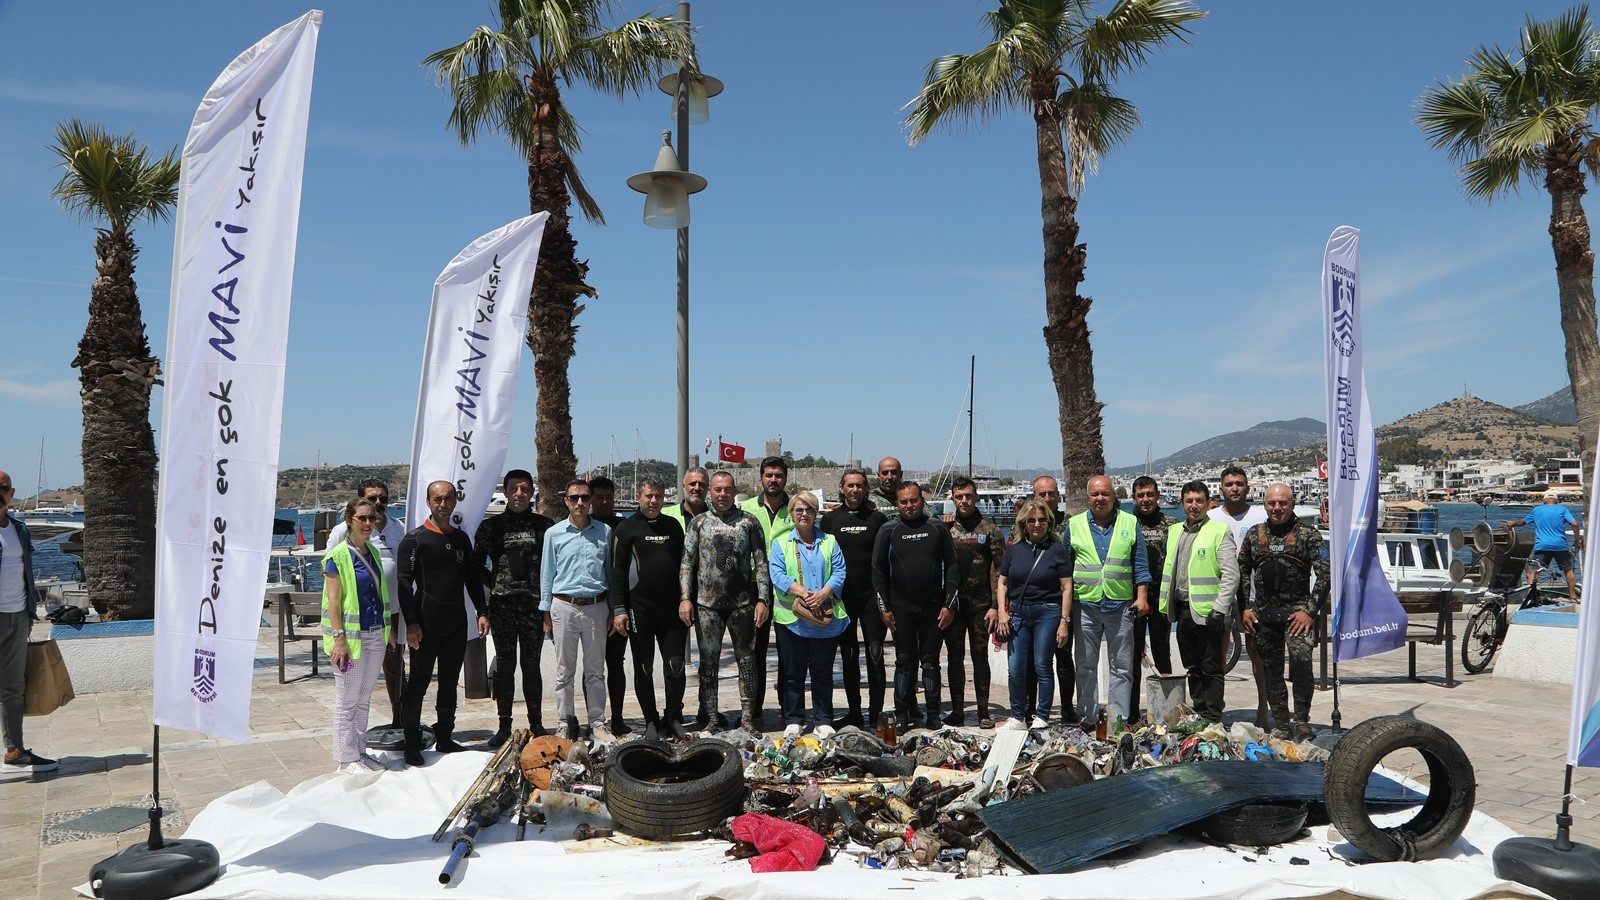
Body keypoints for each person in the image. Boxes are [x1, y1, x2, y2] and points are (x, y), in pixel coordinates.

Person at [397, 481, 490, 766]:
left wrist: (482, 611)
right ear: (428, 502)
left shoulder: (461, 539)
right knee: (418, 684)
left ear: (454, 502)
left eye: (448, 498)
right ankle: (412, 743)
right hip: (425, 624)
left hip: (455, 624)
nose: (443, 504)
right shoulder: (415, 540)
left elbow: (473, 579)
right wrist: (411, 623)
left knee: (449, 683)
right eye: (437, 499)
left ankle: (445, 736)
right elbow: (403, 583)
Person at [681, 470, 772, 730]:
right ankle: (710, 717)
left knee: (747, 662)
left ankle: (746, 717)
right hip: (707, 604)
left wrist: (763, 599)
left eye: (727, 490)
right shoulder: (698, 523)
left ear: (734, 491)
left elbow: (761, 563)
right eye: (718, 489)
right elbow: (687, 562)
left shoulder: (749, 522)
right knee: (708, 664)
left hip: (742, 604)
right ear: (711, 490)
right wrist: (685, 598)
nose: (722, 494)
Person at [1238, 483, 1328, 741]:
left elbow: (1325, 575)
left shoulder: (1309, 536)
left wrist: (1309, 612)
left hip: (1298, 615)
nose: (1277, 508)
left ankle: (1301, 720)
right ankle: (1280, 721)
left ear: (1292, 503)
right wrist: (1245, 607)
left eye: (1283, 503)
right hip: (1264, 616)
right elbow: (1242, 572)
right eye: (1272, 503)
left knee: (1301, 662)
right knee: (1270, 669)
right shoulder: (1255, 535)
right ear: (1265, 505)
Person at [474, 469, 555, 746]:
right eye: (514, 489)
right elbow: (474, 566)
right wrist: (492, 588)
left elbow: (553, 567)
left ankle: (537, 724)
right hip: (503, 607)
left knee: (532, 667)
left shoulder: (545, 526)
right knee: (505, 668)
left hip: (534, 607)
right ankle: (504, 726)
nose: (519, 494)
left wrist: (548, 608)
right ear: (506, 492)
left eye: (524, 488)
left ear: (532, 491)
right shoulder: (491, 528)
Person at [872, 481, 959, 731]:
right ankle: (901, 715)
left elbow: (952, 566)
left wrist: (949, 604)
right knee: (904, 661)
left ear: (922, 501)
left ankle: (933, 714)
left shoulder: (937, 528)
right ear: (897, 503)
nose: (909, 506)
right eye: (903, 502)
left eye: (913, 500)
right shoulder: (889, 530)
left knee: (930, 662)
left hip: (933, 608)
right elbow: (877, 570)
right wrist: (883, 607)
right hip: (900, 608)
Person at [541, 479, 620, 742]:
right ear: (566, 500)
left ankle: (597, 722)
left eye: (584, 498)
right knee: (565, 671)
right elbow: (547, 574)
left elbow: (609, 572)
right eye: (574, 498)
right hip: (564, 607)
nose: (580, 503)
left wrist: (611, 609)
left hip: (597, 607)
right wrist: (545, 612)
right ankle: (564, 722)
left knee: (596, 671)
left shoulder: (605, 532)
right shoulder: (554, 534)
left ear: (590, 501)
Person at [1067, 475, 1150, 724]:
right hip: (1085, 605)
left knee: (1122, 667)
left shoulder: (1130, 522)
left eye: (1105, 494)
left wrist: (1142, 596)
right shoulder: (1075, 525)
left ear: (1114, 496)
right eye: (1095, 494)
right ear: (1088, 497)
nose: (1100, 498)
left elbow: (1140, 564)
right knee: (1085, 666)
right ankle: (1087, 717)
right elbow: (1064, 568)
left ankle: (1118, 720)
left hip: (1121, 604)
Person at [326, 479, 408, 730]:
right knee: (353, 686)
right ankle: (349, 745)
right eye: (372, 499)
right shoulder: (341, 532)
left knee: (395, 667)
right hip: (356, 618)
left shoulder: (398, 527)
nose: (378, 503)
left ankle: (400, 719)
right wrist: (338, 631)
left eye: (382, 498)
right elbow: (331, 577)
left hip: (389, 612)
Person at [322, 497, 396, 773]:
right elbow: (333, 601)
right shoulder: (337, 555)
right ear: (349, 520)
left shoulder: (374, 553)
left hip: (376, 634)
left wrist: (388, 630)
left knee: (364, 698)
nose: (368, 523)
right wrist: (338, 638)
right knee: (347, 701)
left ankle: (360, 752)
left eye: (372, 518)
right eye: (362, 518)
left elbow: (379, 594)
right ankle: (345, 758)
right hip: (351, 639)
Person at [612, 478, 689, 740]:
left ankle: (674, 716)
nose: (653, 500)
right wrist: (619, 608)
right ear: (639, 497)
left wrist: (685, 599)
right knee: (643, 665)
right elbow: (618, 571)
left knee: (676, 664)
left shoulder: (673, 526)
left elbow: (684, 567)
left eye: (657, 496)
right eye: (648, 496)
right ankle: (650, 720)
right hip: (639, 609)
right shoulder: (626, 528)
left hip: (671, 609)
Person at [767, 491, 849, 737]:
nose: (804, 514)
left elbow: (839, 572)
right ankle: (794, 717)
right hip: (792, 619)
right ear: (792, 514)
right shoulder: (781, 543)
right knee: (794, 672)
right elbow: (778, 574)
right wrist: (803, 592)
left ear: (816, 513)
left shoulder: (830, 541)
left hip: (824, 617)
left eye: (809, 510)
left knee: (823, 671)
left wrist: (823, 593)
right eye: (799, 510)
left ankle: (823, 718)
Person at [1160, 481, 1239, 723]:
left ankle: (1213, 716)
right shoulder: (1175, 531)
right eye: (1189, 501)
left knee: (1211, 668)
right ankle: (1198, 710)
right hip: (1182, 610)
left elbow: (1231, 574)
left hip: (1209, 613)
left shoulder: (1219, 530)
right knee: (1192, 666)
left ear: (1208, 503)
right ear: (1183, 503)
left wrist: (1220, 609)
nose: (1194, 506)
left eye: (1199, 501)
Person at [995, 499, 1073, 729]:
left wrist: (1064, 622)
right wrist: (1002, 612)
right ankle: (1018, 715)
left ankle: (1041, 716)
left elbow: (1067, 587)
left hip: (1047, 612)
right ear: (1023, 523)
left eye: (1041, 520)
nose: (1036, 524)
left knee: (1042, 665)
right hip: (1018, 613)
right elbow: (1002, 583)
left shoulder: (1057, 550)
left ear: (1048, 523)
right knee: (1016, 666)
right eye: (1031, 520)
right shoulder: (1014, 550)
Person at [820, 467, 889, 727]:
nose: (855, 490)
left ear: (866, 489)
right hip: (842, 597)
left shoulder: (878, 519)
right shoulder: (830, 520)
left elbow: (886, 561)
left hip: (871, 596)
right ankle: (854, 712)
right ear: (841, 488)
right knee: (848, 655)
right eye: (850, 485)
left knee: (875, 654)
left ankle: (876, 714)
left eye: (860, 485)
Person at [0, 470, 54, 773]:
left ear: (12, 492)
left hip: (18, 616)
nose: (0, 493)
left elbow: (26, 572)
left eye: (4, 488)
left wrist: (30, 613)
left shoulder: (19, 529)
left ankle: (14, 751)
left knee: (12, 687)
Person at [1208, 465, 1270, 726]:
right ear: (1221, 488)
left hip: (1254, 596)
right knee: (1217, 654)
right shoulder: (1211, 517)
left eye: (1239, 483)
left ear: (1247, 487)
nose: (1234, 488)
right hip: (1221, 596)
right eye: (1229, 484)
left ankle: (1263, 709)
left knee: (1258, 654)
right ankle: (1216, 709)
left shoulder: (1260, 515)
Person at [740, 456, 795, 727]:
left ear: (786, 478)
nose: (773, 480)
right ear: (760, 478)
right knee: (756, 651)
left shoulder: (796, 508)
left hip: (788, 589)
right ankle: (755, 709)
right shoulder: (746, 508)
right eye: (769, 475)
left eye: (778, 475)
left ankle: (789, 708)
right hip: (754, 588)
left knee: (788, 652)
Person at [945, 477, 1003, 727]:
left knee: (980, 657)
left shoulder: (990, 530)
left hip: (981, 606)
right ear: (953, 498)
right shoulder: (945, 529)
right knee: (954, 657)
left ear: (976, 496)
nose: (964, 501)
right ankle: (958, 711)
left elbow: (1001, 571)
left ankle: (983, 712)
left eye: (968, 495)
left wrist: (996, 606)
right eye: (959, 496)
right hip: (954, 606)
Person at [1024, 474, 1076, 723]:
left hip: (1062, 603)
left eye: (1051, 494)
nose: (1047, 498)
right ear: (1034, 496)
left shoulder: (1071, 526)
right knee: (1032, 662)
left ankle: (1067, 709)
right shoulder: (1025, 527)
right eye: (1041, 494)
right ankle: (1030, 710)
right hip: (1034, 604)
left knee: (1064, 659)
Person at [587, 476, 632, 736]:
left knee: (616, 664)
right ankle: (594, 720)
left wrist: (620, 607)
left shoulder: (623, 526)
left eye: (608, 497)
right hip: (590, 607)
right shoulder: (586, 525)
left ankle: (617, 718)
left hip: (617, 607)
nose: (604, 502)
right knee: (592, 668)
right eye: (599, 497)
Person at [1129, 475, 1176, 719]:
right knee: (1133, 656)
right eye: (1140, 495)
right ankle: (1132, 713)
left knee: (1162, 653)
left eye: (1150, 494)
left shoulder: (1171, 524)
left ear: (1157, 495)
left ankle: (1166, 711)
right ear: (1134, 497)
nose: (1145, 500)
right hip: (1133, 600)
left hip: (1161, 600)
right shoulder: (1126, 523)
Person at [1506, 491, 1584, 605]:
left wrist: (1512, 523)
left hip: (1542, 546)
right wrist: (1577, 541)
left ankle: (1530, 596)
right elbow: (1575, 524)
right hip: (1560, 546)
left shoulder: (1537, 510)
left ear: (1544, 500)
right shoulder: (1562, 509)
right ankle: (1573, 596)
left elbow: (1522, 522)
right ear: (1556, 501)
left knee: (1535, 570)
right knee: (1568, 570)